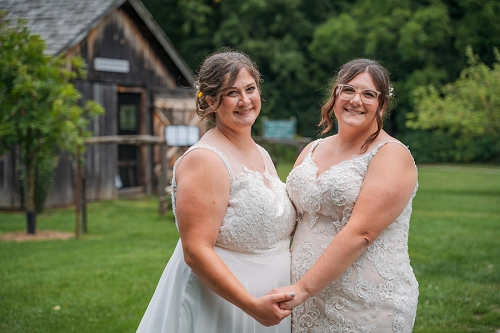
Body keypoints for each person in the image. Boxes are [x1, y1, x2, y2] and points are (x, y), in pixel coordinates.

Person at [136, 50, 297, 333]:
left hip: (268, 304)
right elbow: (196, 251)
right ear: (211, 101)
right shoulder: (205, 159)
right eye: (232, 93)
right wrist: (250, 305)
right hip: (226, 306)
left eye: (250, 89)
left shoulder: (261, 153)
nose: (245, 100)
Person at [272, 59, 419, 332]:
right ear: (335, 96)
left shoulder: (391, 155)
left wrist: (303, 289)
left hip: (363, 301)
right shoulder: (312, 149)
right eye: (348, 90)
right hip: (304, 302)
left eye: (369, 94)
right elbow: (289, 215)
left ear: (382, 105)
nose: (356, 100)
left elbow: (362, 232)